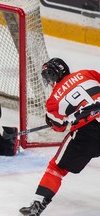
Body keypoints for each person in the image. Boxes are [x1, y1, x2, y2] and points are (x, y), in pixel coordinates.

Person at [19, 58, 100, 215]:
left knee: (57, 168)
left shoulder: (52, 102)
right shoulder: (87, 73)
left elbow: (59, 126)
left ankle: (37, 204)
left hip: (87, 134)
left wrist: (56, 121)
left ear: (52, 76)